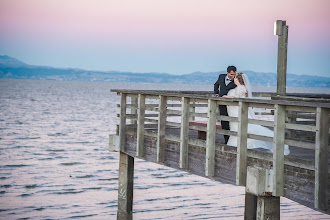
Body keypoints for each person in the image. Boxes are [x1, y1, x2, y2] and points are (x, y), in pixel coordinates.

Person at [223, 72, 290, 155]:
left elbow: (236, 97)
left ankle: (237, 146)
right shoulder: (244, 88)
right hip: (241, 110)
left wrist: (226, 97)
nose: (234, 80)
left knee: (243, 127)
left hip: (239, 111)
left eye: (235, 78)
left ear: (238, 80)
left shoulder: (240, 87)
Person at [213, 65, 237, 144]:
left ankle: (233, 140)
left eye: (234, 74)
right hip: (222, 103)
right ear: (227, 73)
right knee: (224, 121)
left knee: (232, 122)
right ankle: (226, 140)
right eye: (231, 74)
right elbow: (216, 85)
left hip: (232, 105)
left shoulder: (237, 80)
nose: (233, 76)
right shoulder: (221, 76)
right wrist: (216, 93)